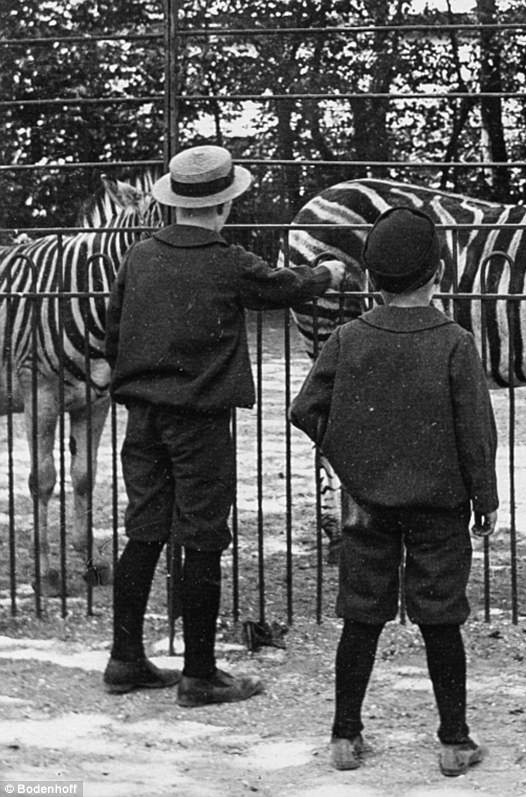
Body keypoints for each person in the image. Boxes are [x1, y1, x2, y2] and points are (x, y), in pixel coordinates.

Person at [101, 144, 339, 707]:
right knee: (203, 536)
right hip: (201, 421)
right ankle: (200, 673)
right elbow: (290, 287)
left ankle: (125, 657)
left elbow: (113, 336)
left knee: (144, 531)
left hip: (143, 419)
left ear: (174, 202)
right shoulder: (229, 261)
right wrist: (328, 271)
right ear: (225, 205)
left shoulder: (138, 257)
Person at [289, 206, 499, 777]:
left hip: (366, 504)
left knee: (361, 616)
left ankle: (344, 736)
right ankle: (454, 741)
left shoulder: (347, 337)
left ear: (372, 279)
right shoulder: (455, 341)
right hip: (441, 507)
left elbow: (305, 409)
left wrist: (353, 458)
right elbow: (476, 432)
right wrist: (485, 500)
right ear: (437, 272)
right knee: (441, 617)